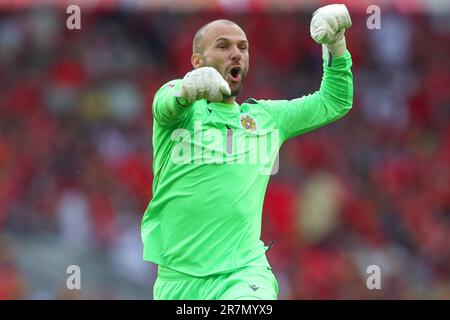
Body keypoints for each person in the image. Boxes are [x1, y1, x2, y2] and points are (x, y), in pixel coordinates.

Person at [141, 4, 353, 300]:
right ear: (197, 60)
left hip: (243, 274)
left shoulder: (267, 118)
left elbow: (334, 101)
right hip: (178, 281)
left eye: (242, 47)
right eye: (223, 46)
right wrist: (189, 90)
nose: (236, 53)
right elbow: (166, 102)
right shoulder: (181, 112)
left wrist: (336, 42)